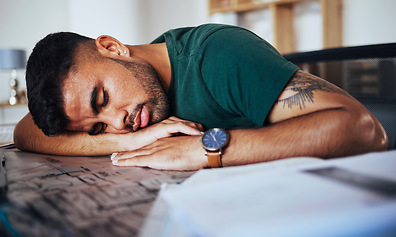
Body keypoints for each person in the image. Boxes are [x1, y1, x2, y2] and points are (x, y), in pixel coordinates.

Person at [14, 24, 388, 170]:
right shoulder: (135, 110)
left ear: (112, 47)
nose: (116, 122)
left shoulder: (217, 56)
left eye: (102, 99)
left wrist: (206, 150)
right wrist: (136, 138)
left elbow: (364, 129)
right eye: (97, 127)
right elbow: (24, 132)